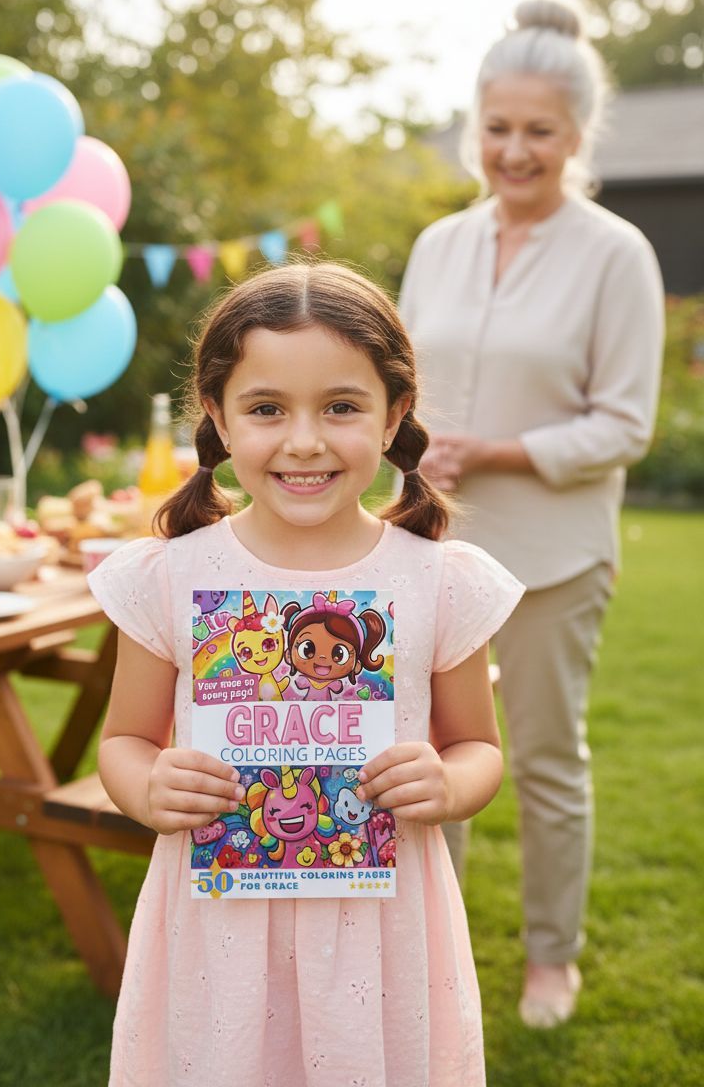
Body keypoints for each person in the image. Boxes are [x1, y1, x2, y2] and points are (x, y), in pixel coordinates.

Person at [88, 261, 524, 1087]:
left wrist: (448, 782)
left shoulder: (438, 580)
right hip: (217, 930)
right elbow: (124, 741)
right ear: (217, 416)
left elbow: (479, 747)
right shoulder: (170, 577)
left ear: (394, 414)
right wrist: (147, 786)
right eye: (266, 409)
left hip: (383, 930)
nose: (304, 441)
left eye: (341, 407)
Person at [399, 0, 665, 1029]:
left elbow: (625, 424)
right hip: (435, 546)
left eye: (539, 131)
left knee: (546, 760)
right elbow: (396, 384)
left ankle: (552, 959)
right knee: (428, 758)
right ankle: (434, 954)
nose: (514, 151)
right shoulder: (437, 244)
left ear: (578, 134)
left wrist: (496, 452)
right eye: (498, 127)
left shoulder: (616, 254)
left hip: (553, 556)